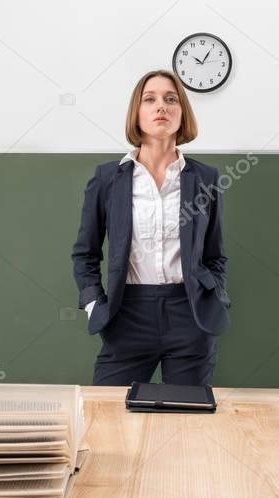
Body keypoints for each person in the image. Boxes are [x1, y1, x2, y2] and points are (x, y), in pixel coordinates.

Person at [71, 69, 231, 386]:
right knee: (108, 420)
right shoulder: (106, 179)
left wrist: (216, 296)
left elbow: (215, 255)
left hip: (190, 316)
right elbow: (85, 253)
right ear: (137, 113)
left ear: (182, 114)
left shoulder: (205, 179)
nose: (162, 106)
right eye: (150, 99)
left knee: (187, 423)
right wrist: (94, 306)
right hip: (126, 315)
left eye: (171, 99)